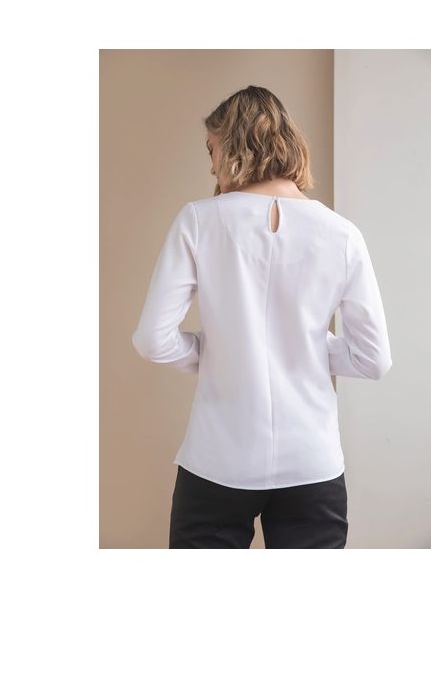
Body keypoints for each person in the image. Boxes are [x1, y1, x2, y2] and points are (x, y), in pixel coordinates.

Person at [131, 84, 392, 549]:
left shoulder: (198, 220)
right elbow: (374, 360)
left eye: (211, 149)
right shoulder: (342, 235)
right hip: (312, 462)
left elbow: (152, 339)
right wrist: (306, 346)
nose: (211, 165)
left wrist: (219, 351)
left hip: (217, 459)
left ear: (234, 145)